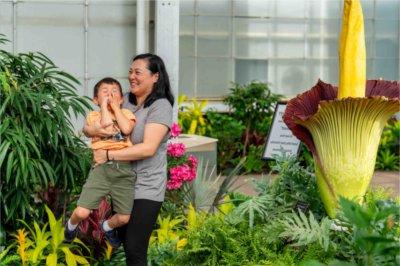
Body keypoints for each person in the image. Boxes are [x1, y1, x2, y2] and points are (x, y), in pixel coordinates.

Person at [85, 53, 174, 266]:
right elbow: (94, 122)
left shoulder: (160, 106)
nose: (131, 77)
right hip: (121, 181)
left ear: (155, 76)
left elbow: (148, 148)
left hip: (147, 186)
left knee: (135, 248)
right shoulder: (123, 99)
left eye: (138, 72)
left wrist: (107, 154)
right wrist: (90, 130)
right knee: (126, 243)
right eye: (130, 72)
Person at [64, 77, 137, 248]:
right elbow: (107, 127)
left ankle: (106, 226)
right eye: (105, 92)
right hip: (101, 170)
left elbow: (126, 129)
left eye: (114, 92)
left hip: (124, 171)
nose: (110, 94)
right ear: (95, 100)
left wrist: (116, 108)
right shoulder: (94, 116)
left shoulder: (127, 114)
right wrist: (105, 106)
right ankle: (71, 225)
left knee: (124, 217)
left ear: (122, 98)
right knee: (82, 212)